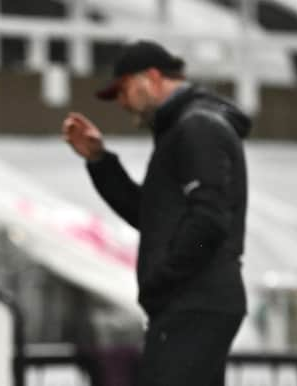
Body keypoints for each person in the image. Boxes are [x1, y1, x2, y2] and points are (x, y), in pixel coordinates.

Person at [61, 40, 249, 386]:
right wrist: (101, 163)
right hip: (195, 301)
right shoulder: (184, 129)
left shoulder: (197, 127)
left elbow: (209, 222)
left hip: (194, 301)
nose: (121, 101)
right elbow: (154, 216)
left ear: (152, 77)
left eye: (124, 89)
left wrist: (162, 281)